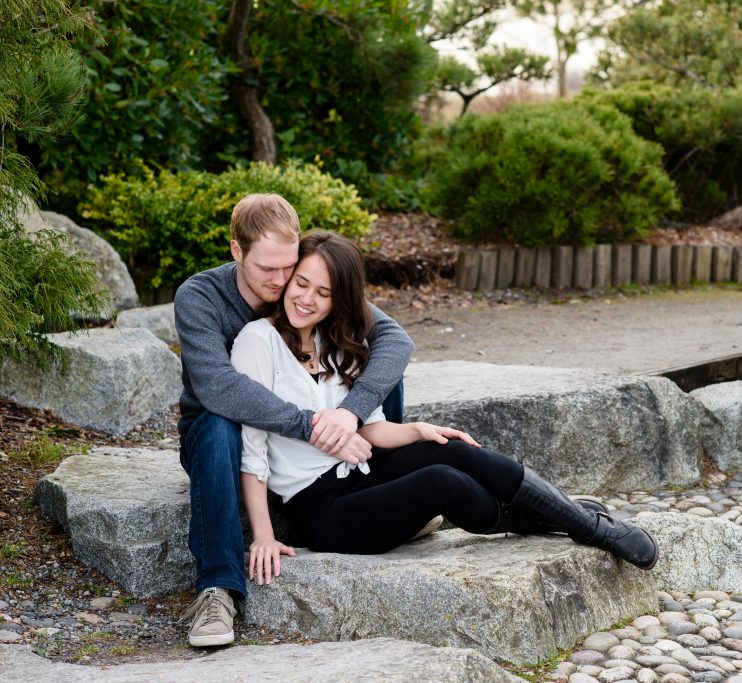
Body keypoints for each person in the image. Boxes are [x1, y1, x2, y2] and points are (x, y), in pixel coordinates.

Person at [230, 230, 659, 587]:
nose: (306, 299)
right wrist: (263, 535)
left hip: (366, 471)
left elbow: (370, 429)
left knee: (453, 449)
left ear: (338, 299)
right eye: (301, 283)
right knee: (442, 481)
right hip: (324, 510)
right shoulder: (257, 341)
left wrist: (418, 430)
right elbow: (252, 449)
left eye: (323, 293)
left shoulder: (333, 340)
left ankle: (588, 527)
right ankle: (573, 517)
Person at [173, 194, 414, 647]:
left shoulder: (299, 280)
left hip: (319, 450)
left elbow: (395, 340)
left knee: (378, 373)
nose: (282, 281)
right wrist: (316, 428)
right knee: (217, 423)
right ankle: (217, 588)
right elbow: (218, 386)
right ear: (236, 250)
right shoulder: (200, 297)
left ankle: (376, 485)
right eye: (268, 269)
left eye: (289, 267)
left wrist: (350, 413)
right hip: (221, 440)